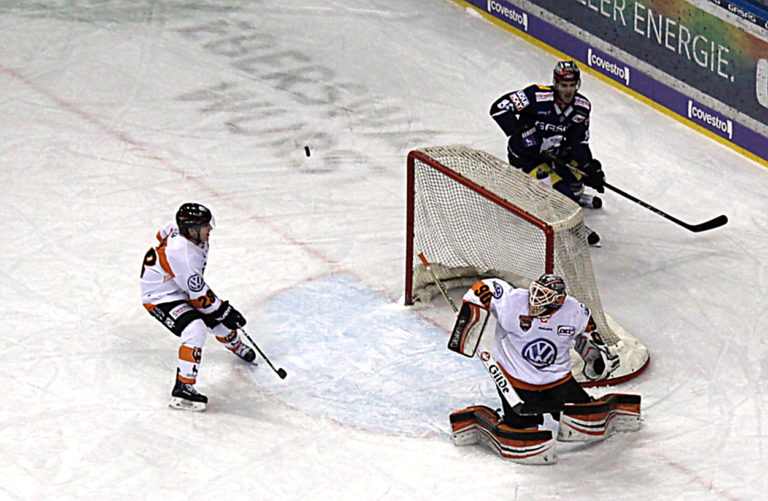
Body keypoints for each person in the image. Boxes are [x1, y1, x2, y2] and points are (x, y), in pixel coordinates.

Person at [455, 274, 619, 430]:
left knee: (586, 418)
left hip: (558, 380)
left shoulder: (574, 311)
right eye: (536, 292)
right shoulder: (513, 301)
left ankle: (564, 408)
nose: (534, 300)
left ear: (557, 301)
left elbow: (589, 334)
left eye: (543, 296)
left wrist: (597, 357)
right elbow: (484, 288)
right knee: (525, 428)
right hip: (516, 380)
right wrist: (469, 316)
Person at [140, 203, 255, 411]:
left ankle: (236, 345)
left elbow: (161, 234)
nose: (210, 229)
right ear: (192, 230)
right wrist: (226, 311)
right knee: (196, 328)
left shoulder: (183, 233)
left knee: (216, 318)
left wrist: (221, 313)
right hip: (160, 297)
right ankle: (183, 389)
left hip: (178, 286)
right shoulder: (183, 254)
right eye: (205, 226)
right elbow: (200, 295)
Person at [490, 60, 605, 245]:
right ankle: (572, 223)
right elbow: (498, 108)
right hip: (527, 158)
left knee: (578, 179)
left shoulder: (582, 107)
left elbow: (578, 142)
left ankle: (573, 197)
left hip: (555, 154)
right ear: (555, 83)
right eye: (563, 85)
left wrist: (589, 168)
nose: (568, 90)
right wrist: (521, 133)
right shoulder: (536, 95)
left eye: (572, 85)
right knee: (563, 196)